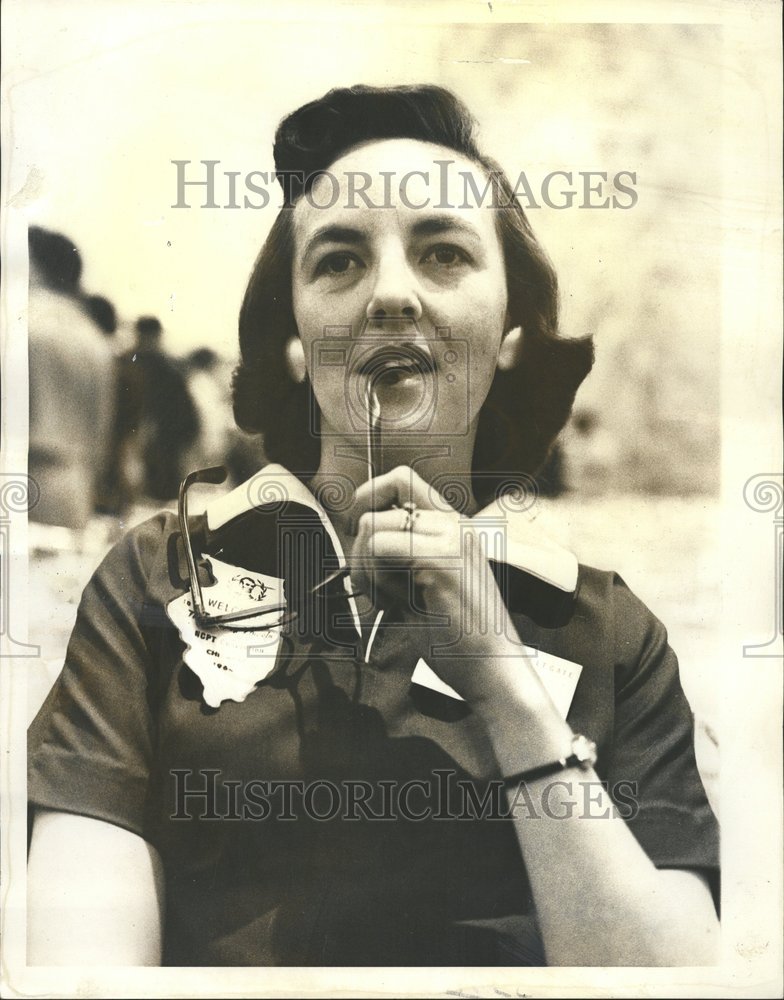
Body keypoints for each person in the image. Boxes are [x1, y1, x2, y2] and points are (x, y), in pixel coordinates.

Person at [27, 85, 719, 967]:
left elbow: (672, 983)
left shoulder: (613, 634)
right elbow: (82, 966)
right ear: (293, 338)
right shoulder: (156, 582)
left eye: (442, 253)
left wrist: (506, 688)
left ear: (511, 330)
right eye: (340, 262)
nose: (391, 295)